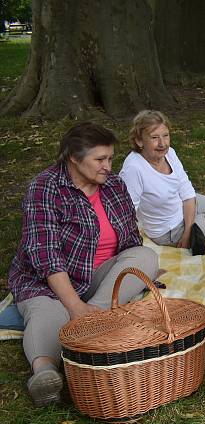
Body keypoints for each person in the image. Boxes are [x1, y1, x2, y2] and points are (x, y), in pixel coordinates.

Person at [8, 122, 159, 407]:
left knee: (146, 257)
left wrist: (139, 272)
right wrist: (74, 306)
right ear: (74, 158)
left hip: (97, 276)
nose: (107, 166)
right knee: (46, 312)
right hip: (49, 280)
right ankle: (45, 374)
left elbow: (129, 240)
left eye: (110, 158)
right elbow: (46, 255)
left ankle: (94, 322)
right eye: (99, 159)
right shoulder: (45, 187)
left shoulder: (113, 185)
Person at [120, 110, 205, 256]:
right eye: (154, 137)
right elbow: (127, 213)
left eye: (166, 135)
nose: (162, 143)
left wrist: (189, 231)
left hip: (186, 208)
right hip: (170, 230)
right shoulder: (133, 169)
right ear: (139, 141)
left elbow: (187, 191)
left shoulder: (170, 153)